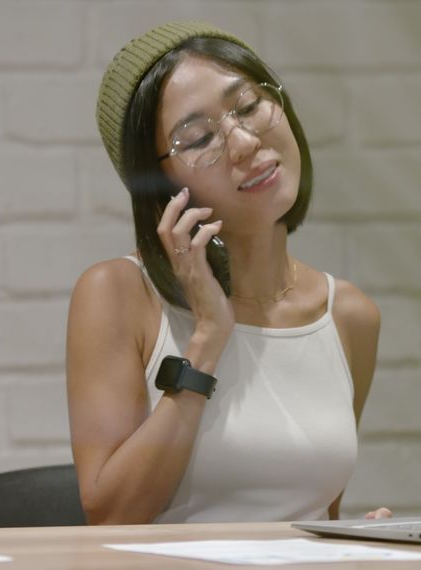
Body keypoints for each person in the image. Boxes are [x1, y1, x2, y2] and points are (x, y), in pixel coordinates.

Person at [66, 21, 390, 524]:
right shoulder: (119, 294)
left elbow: (316, 513)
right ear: (160, 185)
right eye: (197, 138)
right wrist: (208, 339)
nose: (242, 141)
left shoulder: (349, 315)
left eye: (249, 106)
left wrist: (354, 539)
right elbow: (111, 515)